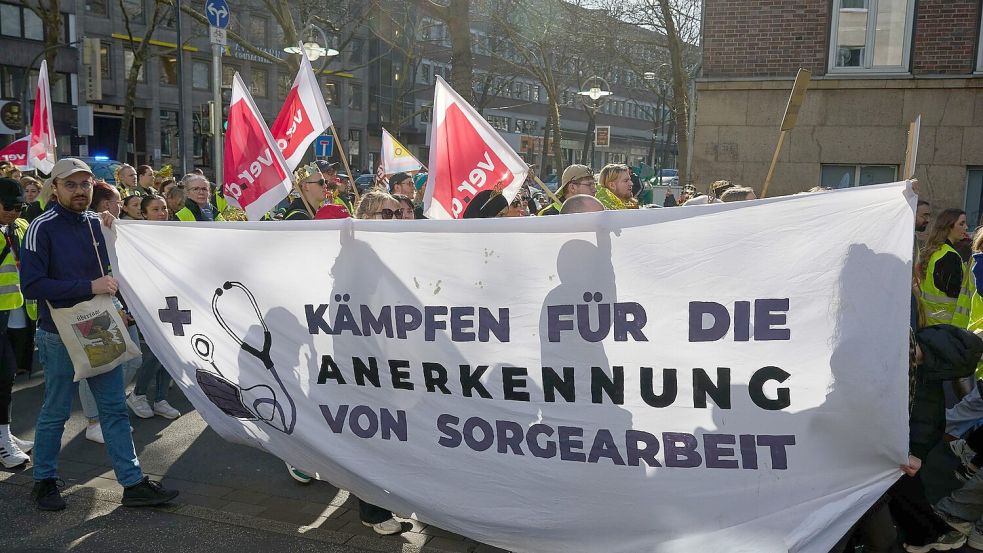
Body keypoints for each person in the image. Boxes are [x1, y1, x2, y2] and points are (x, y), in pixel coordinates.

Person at [21, 158, 178, 511]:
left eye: (85, 184)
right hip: (58, 332)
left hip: (99, 326)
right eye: (71, 184)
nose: (79, 191)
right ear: (55, 187)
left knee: (113, 409)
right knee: (56, 411)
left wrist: (114, 236)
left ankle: (133, 483)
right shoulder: (40, 227)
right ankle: (43, 481)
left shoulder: (98, 224)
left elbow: (118, 270)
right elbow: (31, 286)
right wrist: (89, 285)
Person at [125, 195, 180, 420]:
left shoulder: (174, 235)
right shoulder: (133, 237)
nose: (161, 213)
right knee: (152, 355)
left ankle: (160, 399)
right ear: (144, 213)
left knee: (170, 352)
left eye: (164, 208)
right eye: (155, 209)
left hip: (171, 301)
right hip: (145, 301)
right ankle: (138, 394)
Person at [0, 178, 33, 468]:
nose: (14, 211)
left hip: (9, 314)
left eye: (20, 207)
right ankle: (2, 442)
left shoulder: (19, 227)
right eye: (8, 206)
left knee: (7, 376)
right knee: (3, 376)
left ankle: (5, 434)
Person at [918, 209, 970, 327]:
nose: (966, 227)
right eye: (961, 224)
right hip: (948, 325)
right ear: (948, 227)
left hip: (932, 323)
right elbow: (954, 291)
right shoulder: (949, 256)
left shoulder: (937, 251)